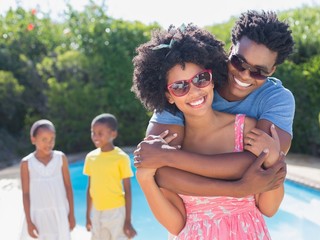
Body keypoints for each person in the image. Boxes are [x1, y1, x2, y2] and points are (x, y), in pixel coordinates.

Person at [132, 23, 285, 239]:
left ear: (212, 79)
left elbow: (269, 209)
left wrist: (272, 158)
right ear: (168, 96)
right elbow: (176, 225)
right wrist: (145, 179)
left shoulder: (246, 130)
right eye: (179, 87)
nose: (194, 91)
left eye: (200, 79)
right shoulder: (168, 145)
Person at [83, 113, 137, 240]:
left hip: (117, 212)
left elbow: (128, 191)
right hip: (97, 212)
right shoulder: (90, 158)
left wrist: (128, 220)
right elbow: (90, 187)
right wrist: (87, 216)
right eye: (93, 132)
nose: (95, 136)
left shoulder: (121, 158)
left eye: (100, 133)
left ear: (113, 134)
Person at [20, 119, 76, 240]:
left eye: (52, 139)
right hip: (38, 216)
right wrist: (29, 221)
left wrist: (71, 214)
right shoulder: (26, 163)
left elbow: (68, 187)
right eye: (44, 139)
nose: (49, 143)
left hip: (59, 213)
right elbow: (25, 193)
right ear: (33, 139)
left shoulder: (60, 158)